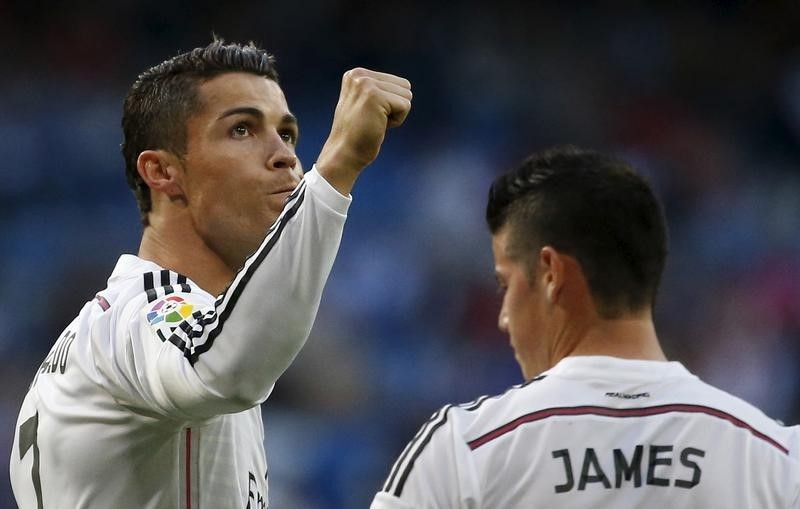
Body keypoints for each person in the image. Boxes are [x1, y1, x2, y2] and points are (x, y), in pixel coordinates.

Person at [10, 39, 411, 508]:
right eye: (242, 130)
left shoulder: (135, 336)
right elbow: (222, 366)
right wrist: (338, 164)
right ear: (162, 172)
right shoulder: (137, 315)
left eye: (288, 135)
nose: (284, 155)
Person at [371, 146, 800, 508]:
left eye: (505, 284)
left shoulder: (466, 449)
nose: (503, 316)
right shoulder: (776, 459)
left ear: (552, 274)